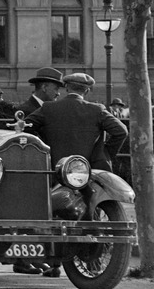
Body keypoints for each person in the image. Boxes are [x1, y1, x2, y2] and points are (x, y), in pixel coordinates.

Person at [20, 72, 127, 277]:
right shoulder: (96, 110)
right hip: (86, 172)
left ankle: (52, 263)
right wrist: (103, 153)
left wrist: (43, 148)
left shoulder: (49, 108)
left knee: (51, 211)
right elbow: (121, 131)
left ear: (67, 88)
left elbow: (25, 127)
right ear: (86, 90)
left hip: (54, 171)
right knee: (90, 212)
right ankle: (93, 265)